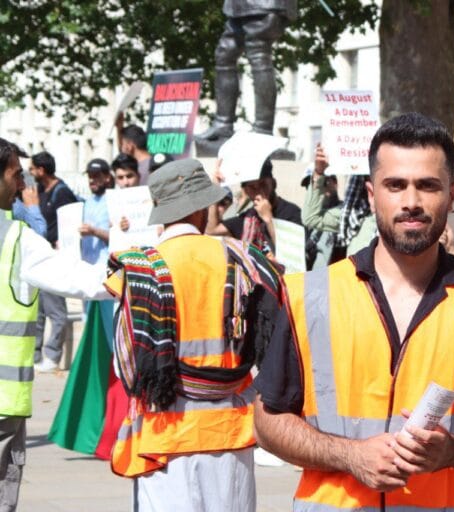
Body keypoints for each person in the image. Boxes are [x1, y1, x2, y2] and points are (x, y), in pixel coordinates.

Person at [253, 112, 454, 511]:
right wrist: (349, 456)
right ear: (373, 194)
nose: (411, 202)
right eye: (396, 185)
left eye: (427, 185)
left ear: (452, 192)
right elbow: (268, 422)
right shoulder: (312, 296)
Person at [105, 158, 282, 511]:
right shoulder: (242, 257)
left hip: (164, 434)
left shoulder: (139, 267)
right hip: (230, 431)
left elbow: (126, 363)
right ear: (202, 208)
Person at [0, 137, 109, 511]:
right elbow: (82, 279)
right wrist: (141, 275)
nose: (22, 185)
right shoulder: (15, 240)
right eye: (16, 175)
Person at [197, 0, 297, 140]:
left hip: (264, 6)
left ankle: (263, 129)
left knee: (258, 54)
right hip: (238, 7)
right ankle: (223, 124)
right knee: (224, 54)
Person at [28, 151, 79, 372]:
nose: (29, 172)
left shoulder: (62, 193)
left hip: (55, 259)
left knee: (56, 310)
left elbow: (70, 221)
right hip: (38, 256)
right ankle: (36, 354)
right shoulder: (38, 191)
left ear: (42, 170)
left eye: (32, 169)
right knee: (37, 310)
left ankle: (53, 354)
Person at [207, 155, 302, 256]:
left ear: (273, 184)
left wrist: (269, 219)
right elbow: (211, 230)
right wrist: (215, 188)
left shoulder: (291, 212)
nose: (259, 192)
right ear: (246, 191)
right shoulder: (248, 218)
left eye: (263, 184)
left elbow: (291, 254)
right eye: (252, 187)